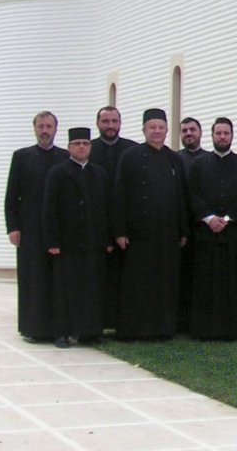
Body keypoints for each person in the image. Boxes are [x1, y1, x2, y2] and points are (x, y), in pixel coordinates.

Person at [112, 108, 188, 340]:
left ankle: (162, 329)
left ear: (166, 131)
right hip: (138, 233)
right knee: (138, 283)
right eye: (152, 128)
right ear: (144, 130)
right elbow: (119, 194)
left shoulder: (174, 158)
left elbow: (181, 196)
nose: (157, 132)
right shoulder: (130, 156)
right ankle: (134, 330)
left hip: (166, 234)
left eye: (161, 128)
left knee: (165, 283)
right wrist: (119, 230)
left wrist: (183, 229)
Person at [42, 128, 113, 348]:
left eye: (85, 143)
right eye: (77, 143)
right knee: (64, 290)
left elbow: (107, 209)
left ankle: (89, 332)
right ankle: (62, 333)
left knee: (92, 288)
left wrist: (108, 240)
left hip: (93, 241)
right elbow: (49, 209)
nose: (81, 147)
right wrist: (52, 241)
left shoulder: (100, 174)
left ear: (90, 147)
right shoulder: (57, 173)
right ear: (69, 147)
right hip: (66, 242)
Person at [187, 118, 237, 340]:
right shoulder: (198, 164)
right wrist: (209, 218)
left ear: (232, 135)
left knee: (233, 283)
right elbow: (192, 194)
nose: (222, 137)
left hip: (233, 233)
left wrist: (226, 218)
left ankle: (233, 330)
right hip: (206, 233)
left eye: (226, 133)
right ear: (212, 135)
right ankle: (204, 330)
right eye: (218, 133)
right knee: (205, 283)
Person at [5, 111, 69, 340]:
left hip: (58, 230)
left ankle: (57, 329)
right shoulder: (22, 157)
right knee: (33, 279)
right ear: (34, 128)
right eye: (41, 126)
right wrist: (12, 227)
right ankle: (32, 329)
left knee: (56, 280)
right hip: (29, 229)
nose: (45, 130)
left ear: (55, 129)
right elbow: (11, 195)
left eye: (49, 126)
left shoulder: (65, 157)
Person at [89, 105, 137, 332]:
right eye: (105, 121)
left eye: (114, 121)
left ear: (120, 123)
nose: (110, 126)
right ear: (98, 123)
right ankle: (97, 320)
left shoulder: (132, 150)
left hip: (124, 225)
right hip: (94, 223)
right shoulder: (88, 149)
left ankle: (120, 320)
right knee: (96, 276)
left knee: (123, 276)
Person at [177, 116, 206, 332]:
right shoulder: (175, 159)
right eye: (185, 130)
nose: (189, 133)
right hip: (182, 226)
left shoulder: (208, 159)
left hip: (205, 227)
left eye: (192, 130)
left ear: (200, 133)